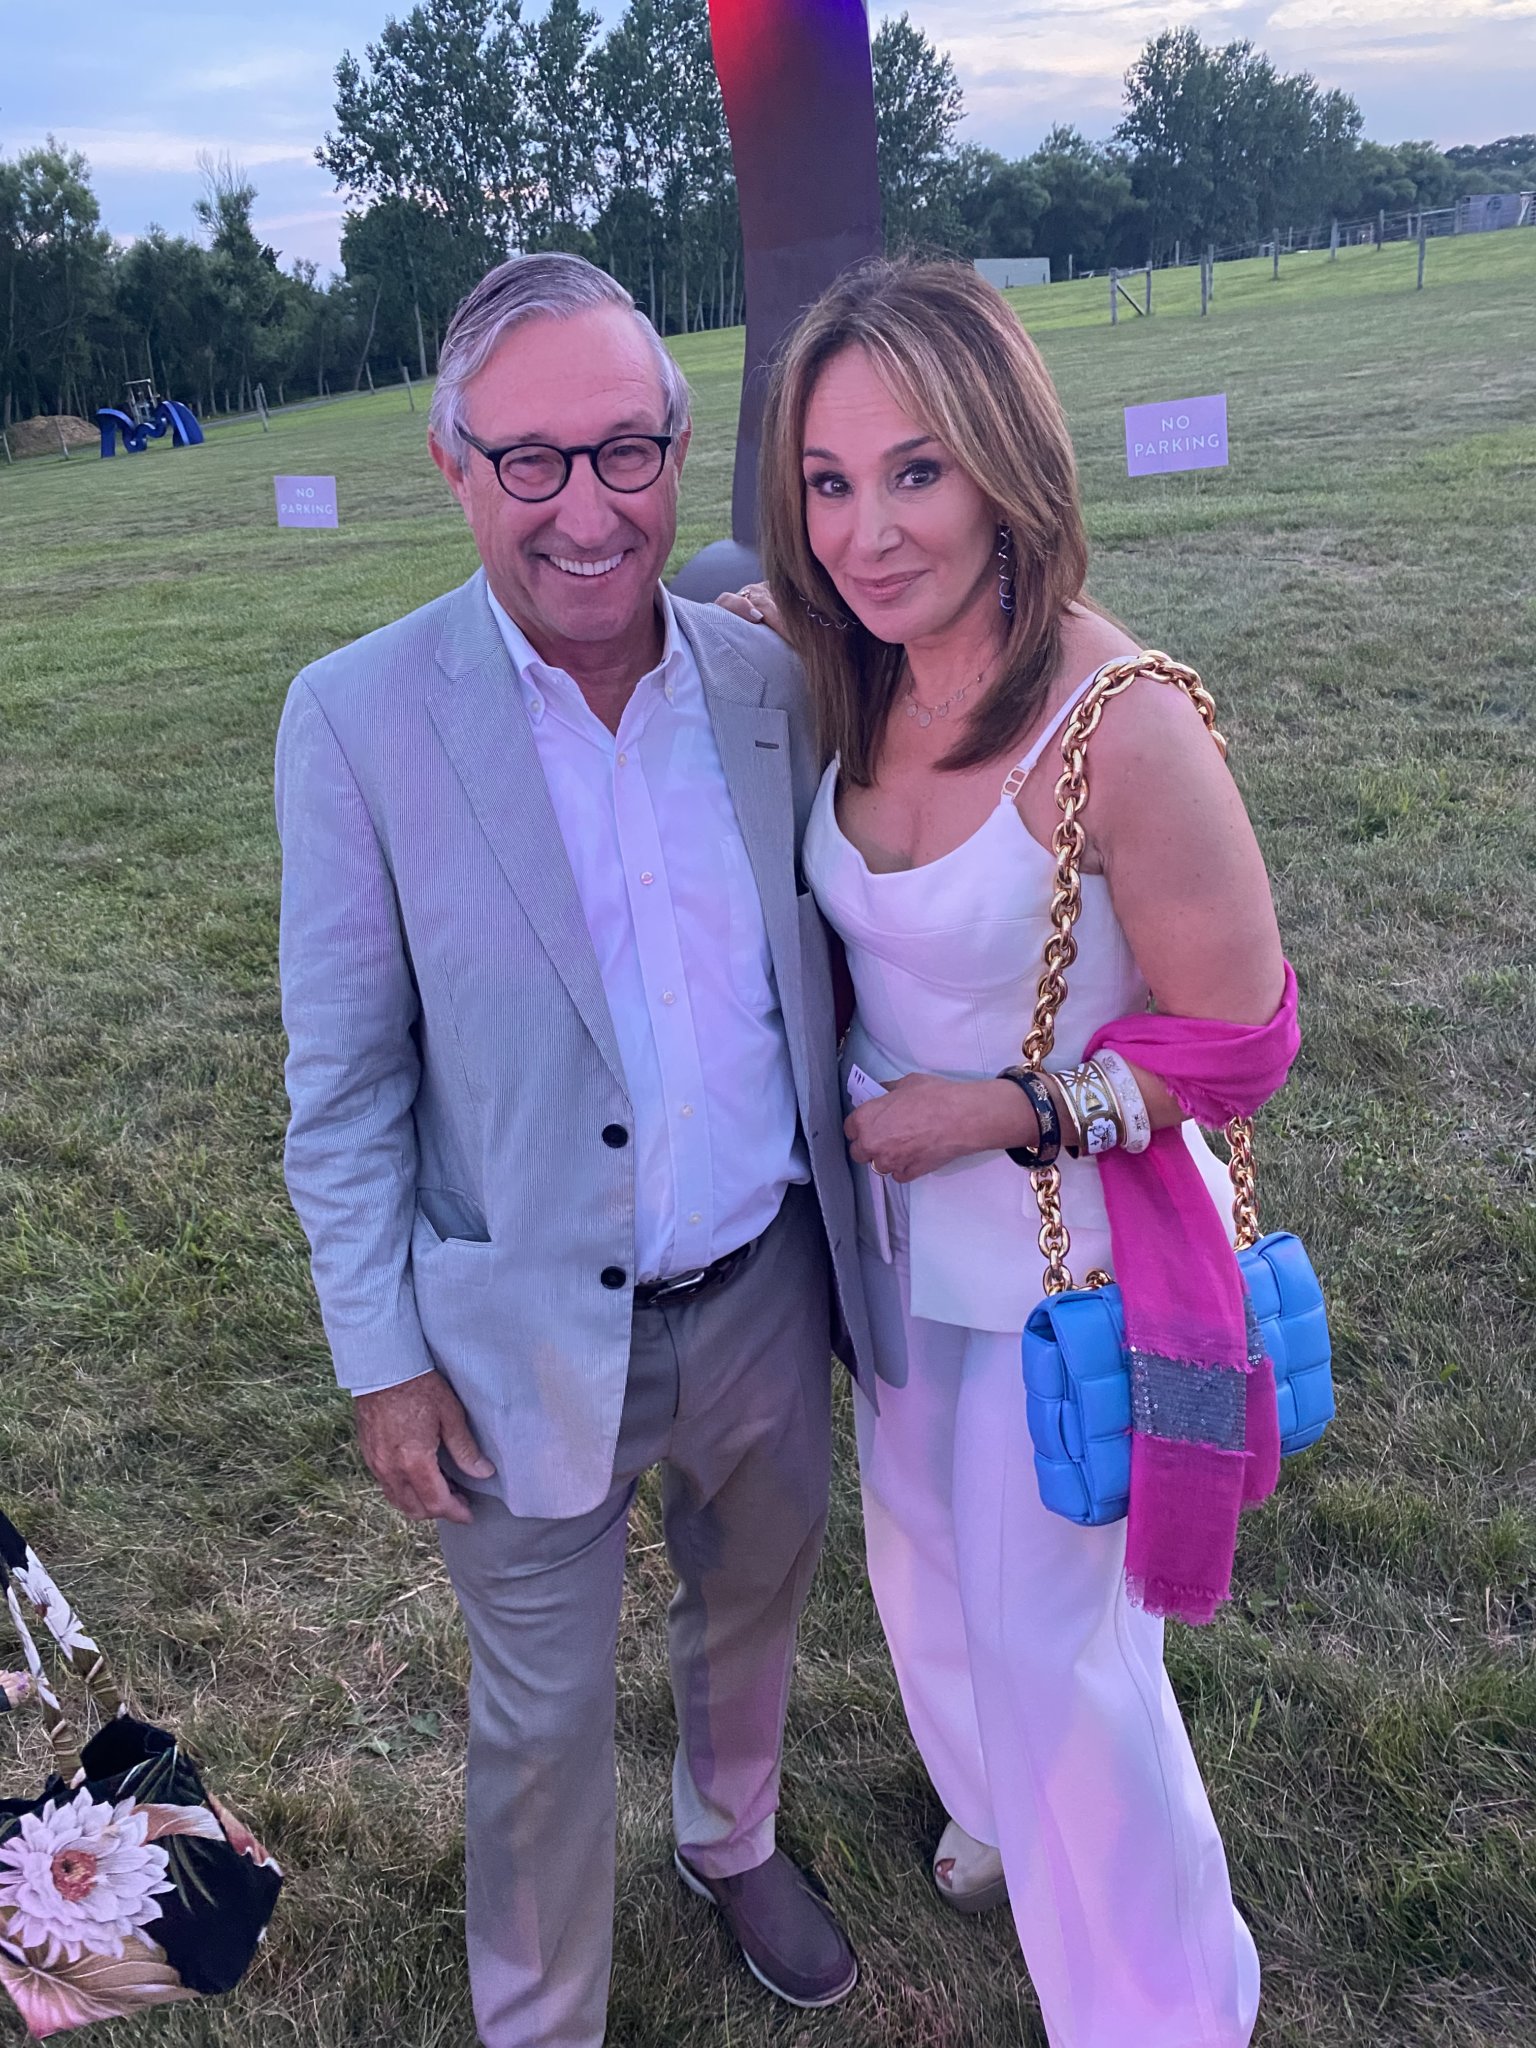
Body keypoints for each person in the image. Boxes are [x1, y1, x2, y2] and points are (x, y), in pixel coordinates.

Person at [274, 252, 874, 2048]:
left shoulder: (774, 682)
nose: (586, 507)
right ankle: (541, 2019)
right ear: (451, 466)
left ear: (684, 452)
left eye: (626, 450)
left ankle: (732, 1833)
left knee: (753, 1598)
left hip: (766, 1286)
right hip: (517, 1323)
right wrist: (379, 1360)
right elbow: (346, 1083)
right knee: (538, 1720)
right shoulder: (359, 721)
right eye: (530, 461)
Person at [739, 258, 1292, 2047]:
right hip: (905, 1258)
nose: (868, 529)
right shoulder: (848, 668)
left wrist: (1005, 1105)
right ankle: (995, 1817)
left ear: (1007, 468)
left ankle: (1166, 2007)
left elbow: (1245, 1037)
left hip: (1078, 1254)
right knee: (919, 1575)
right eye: (830, 482)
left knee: (1065, 1655)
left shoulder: (1117, 723)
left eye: (917, 472)